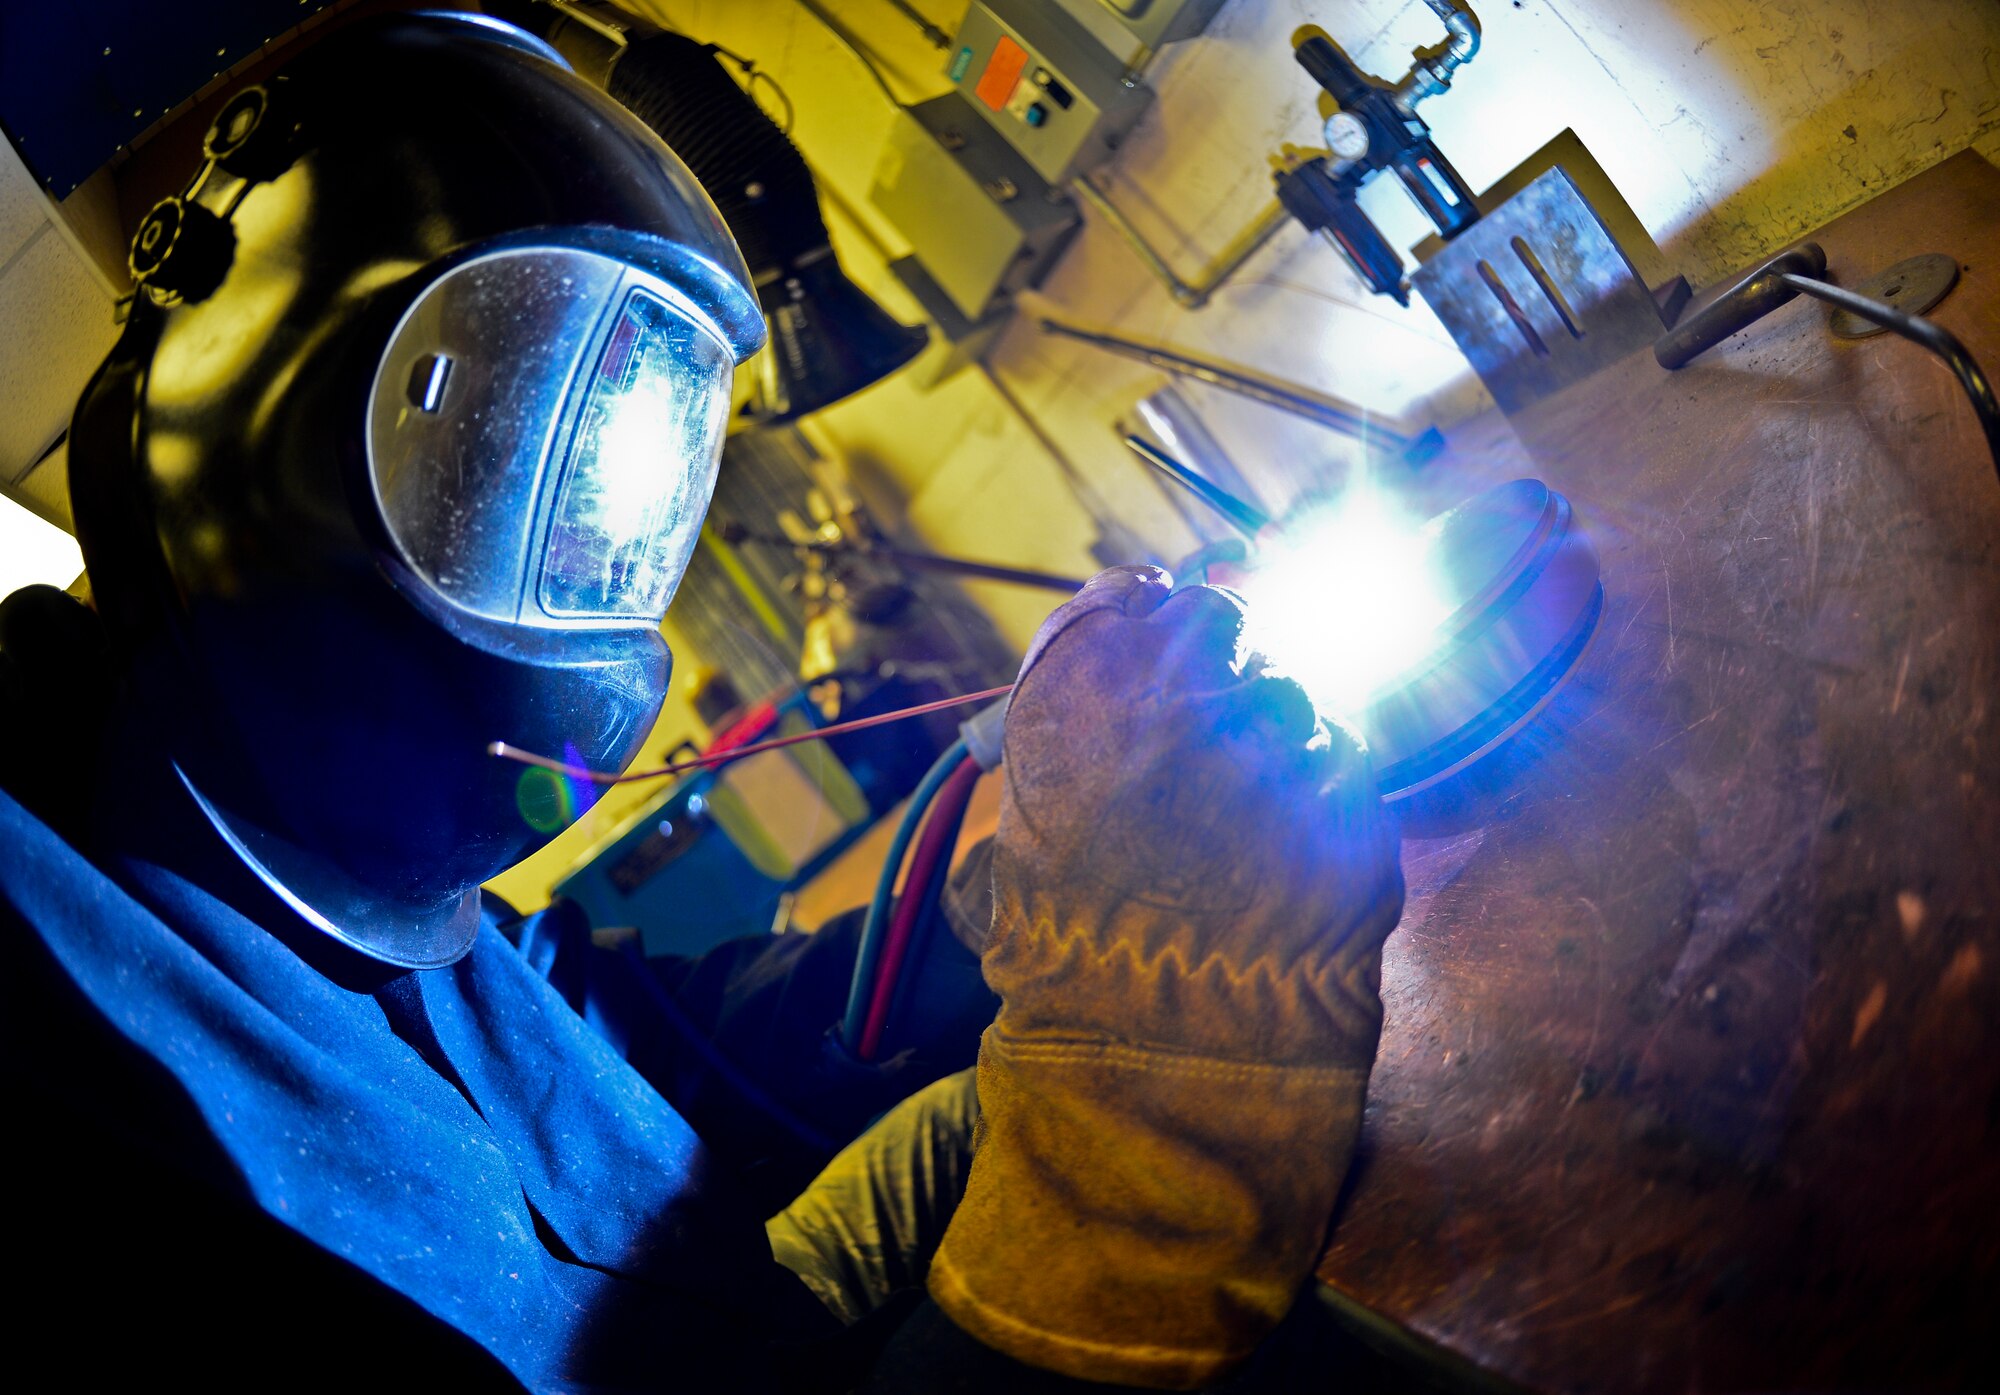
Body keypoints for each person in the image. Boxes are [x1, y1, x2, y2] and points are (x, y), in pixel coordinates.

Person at [0, 11, 1404, 1391]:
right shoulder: (75, 1050)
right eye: (494, 467)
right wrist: (1145, 1112)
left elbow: (609, 1043)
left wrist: (1001, 927)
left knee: (1008, 1110)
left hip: (746, 1306)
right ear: (256, 442)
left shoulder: (296, 844)